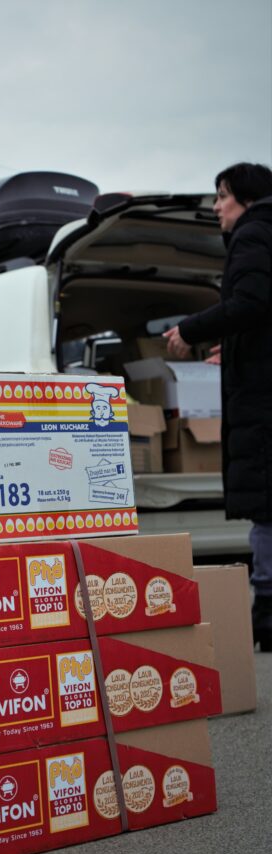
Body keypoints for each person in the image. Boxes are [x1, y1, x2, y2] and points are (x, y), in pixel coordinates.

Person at [163, 162, 272, 652]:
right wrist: (244, 347)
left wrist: (191, 328)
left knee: (266, 507)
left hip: (262, 404)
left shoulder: (253, 236)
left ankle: (268, 616)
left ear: (245, 199)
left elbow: (251, 302)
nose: (216, 207)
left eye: (222, 196)